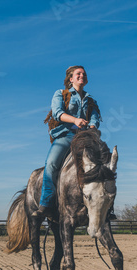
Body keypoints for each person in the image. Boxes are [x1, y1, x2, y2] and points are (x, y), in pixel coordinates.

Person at [32, 66, 101, 218]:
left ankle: (106, 207)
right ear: (71, 79)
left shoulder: (91, 101)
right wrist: (75, 120)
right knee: (51, 164)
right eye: (78, 74)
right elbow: (57, 114)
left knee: (103, 165)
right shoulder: (61, 94)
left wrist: (92, 126)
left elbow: (95, 118)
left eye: (84, 74)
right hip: (66, 136)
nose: (82, 75)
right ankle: (46, 203)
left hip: (86, 137)